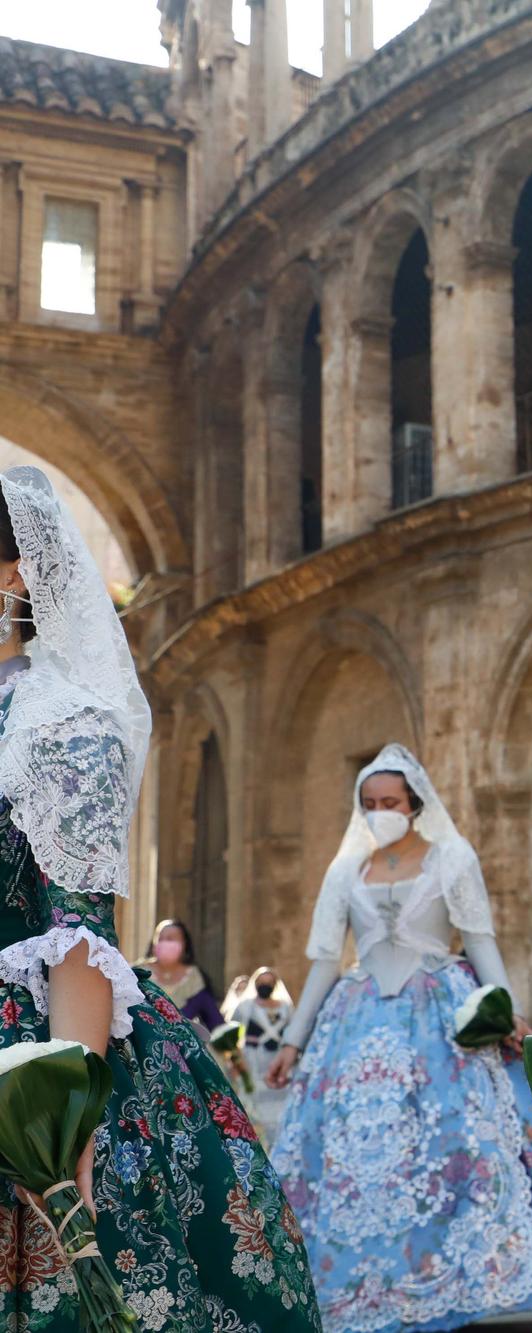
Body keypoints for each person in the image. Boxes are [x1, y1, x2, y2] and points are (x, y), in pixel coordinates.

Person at [0, 464, 319, 1328]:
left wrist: (65, 1138)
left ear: (14, 573)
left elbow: (75, 937)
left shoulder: (58, 726)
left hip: (28, 1062)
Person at [265, 743, 532, 1331]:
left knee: (448, 1144)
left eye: (390, 801)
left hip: (440, 1012)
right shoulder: (345, 871)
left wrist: (505, 1011)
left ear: (414, 804)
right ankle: (360, 1281)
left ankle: (442, 1273)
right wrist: (293, 1040)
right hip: (356, 1018)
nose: (379, 810)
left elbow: (481, 940)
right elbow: (322, 961)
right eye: (369, 803)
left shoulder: (451, 859)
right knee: (347, 1154)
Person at [221, 966, 293, 1143]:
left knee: (279, 1108)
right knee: (252, 1106)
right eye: (262, 982)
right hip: (251, 1061)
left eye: (269, 983)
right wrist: (235, 1062)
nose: (265, 986)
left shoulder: (286, 1009)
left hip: (277, 1061)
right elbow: (229, 1036)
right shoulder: (245, 1007)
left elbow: (293, 1033)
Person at [141, 916, 225, 1034]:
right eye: (161, 938)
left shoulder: (194, 978)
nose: (165, 942)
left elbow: (216, 1023)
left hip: (183, 1047)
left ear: (184, 944)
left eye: (170, 939)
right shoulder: (138, 973)